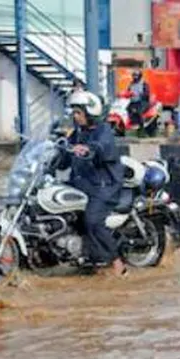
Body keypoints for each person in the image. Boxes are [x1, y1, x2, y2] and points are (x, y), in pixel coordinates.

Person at [54, 90, 127, 277]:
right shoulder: (78, 132)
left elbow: (100, 148)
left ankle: (117, 263)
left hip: (105, 185)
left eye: (79, 112)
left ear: (90, 112)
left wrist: (88, 150)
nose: (75, 116)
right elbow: (65, 152)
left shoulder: (104, 131)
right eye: (74, 113)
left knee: (93, 221)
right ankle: (85, 257)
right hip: (83, 183)